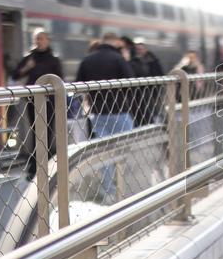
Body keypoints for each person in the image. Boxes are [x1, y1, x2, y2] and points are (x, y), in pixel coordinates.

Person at [75, 32, 135, 202]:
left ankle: (108, 191)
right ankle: (125, 188)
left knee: (105, 152)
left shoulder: (87, 60)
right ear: (116, 41)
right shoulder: (118, 58)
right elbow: (130, 82)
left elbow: (80, 84)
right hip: (119, 111)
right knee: (126, 148)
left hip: (98, 112)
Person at [12, 30, 64, 176]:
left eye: (41, 38)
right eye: (36, 39)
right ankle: (35, 165)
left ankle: (46, 164)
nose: (38, 41)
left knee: (47, 131)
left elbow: (60, 79)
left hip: (49, 101)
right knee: (36, 131)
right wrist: (27, 67)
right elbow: (15, 74)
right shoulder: (30, 57)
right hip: (33, 100)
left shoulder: (53, 59)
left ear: (48, 40)